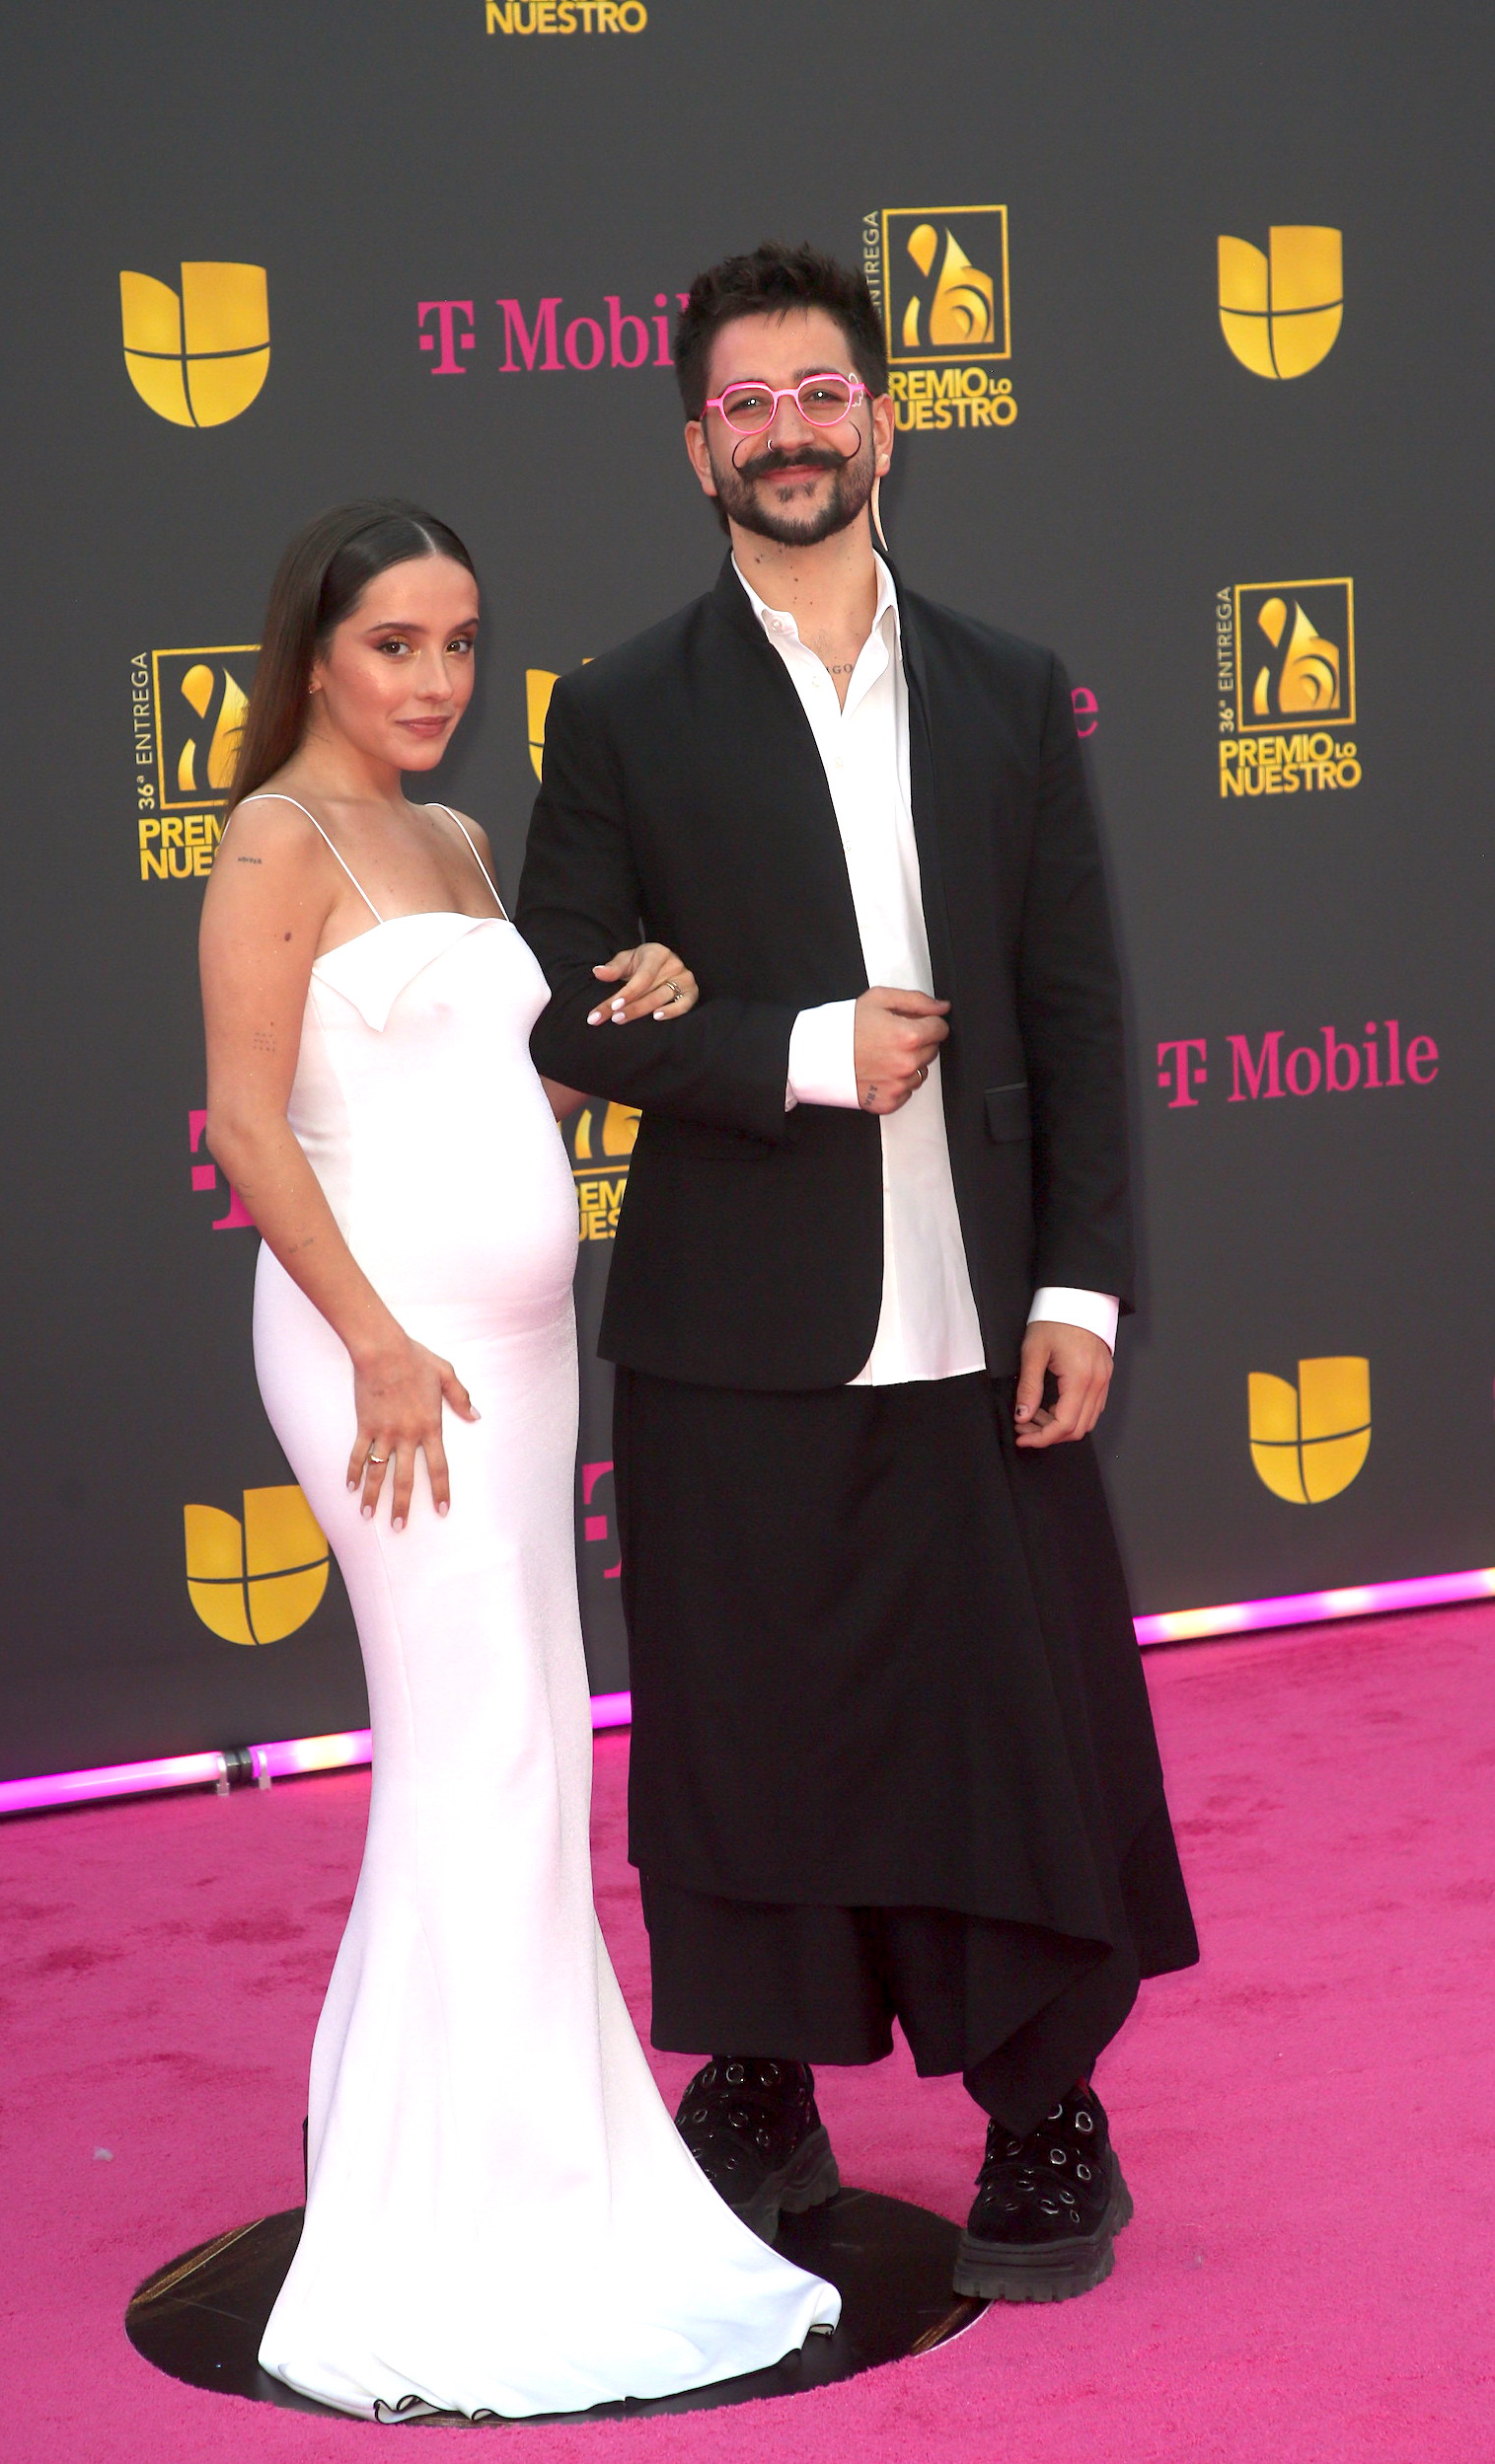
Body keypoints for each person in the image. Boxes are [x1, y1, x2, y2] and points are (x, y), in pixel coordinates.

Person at [517, 246, 1199, 2305]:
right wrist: (796, 1049)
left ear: (884, 420)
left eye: (824, 392)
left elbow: (1076, 1007)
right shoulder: (624, 709)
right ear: (693, 448)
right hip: (740, 1325)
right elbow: (557, 1002)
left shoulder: (1004, 683)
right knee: (754, 1720)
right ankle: (756, 2084)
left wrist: (1081, 1289)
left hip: (986, 1320)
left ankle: (1042, 2109)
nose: (790, 429)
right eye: (747, 403)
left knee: (1015, 1717)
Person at [198, 499, 838, 2422]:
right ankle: (445, 2215)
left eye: (461, 644)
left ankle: (490, 2166)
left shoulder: (462, 839)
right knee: (471, 1743)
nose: (435, 680)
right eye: (396, 643)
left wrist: (605, 1025)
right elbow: (247, 1121)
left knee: (535, 1740)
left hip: (518, 1351)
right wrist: (380, 1338)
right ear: (316, 648)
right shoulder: (269, 841)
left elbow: (488, 1081)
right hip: (380, 1360)